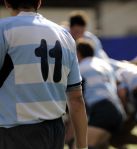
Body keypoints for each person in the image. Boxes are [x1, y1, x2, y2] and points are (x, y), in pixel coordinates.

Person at [0, 0, 88, 149]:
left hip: (15, 132)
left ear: (7, 3)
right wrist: (82, 147)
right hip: (55, 131)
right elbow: (76, 100)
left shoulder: (3, 29)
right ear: (39, 3)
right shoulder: (65, 36)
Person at [75, 39, 125, 149]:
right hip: (117, 109)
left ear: (78, 53)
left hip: (103, 109)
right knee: (103, 145)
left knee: (79, 146)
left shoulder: (80, 68)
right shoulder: (105, 66)